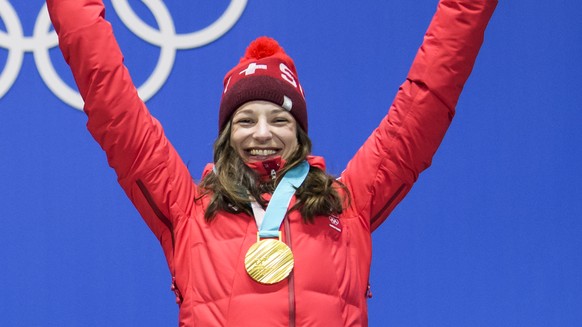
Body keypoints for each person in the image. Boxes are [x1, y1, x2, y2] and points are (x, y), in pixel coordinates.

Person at [46, 0, 497, 326]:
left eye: (278, 119)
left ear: (298, 132)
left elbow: (427, 101)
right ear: (227, 134)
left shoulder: (348, 203)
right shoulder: (187, 211)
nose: (261, 133)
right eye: (245, 120)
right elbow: (111, 101)